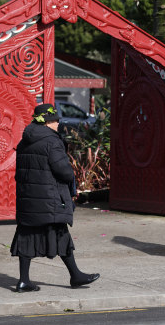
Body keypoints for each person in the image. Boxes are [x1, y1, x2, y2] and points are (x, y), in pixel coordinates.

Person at [11, 103, 100, 292]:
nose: (58, 123)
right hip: (50, 197)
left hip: (29, 198)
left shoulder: (24, 140)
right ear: (48, 122)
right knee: (60, 233)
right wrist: (71, 176)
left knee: (27, 236)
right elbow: (64, 171)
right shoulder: (51, 141)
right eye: (55, 120)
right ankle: (75, 275)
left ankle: (23, 280)